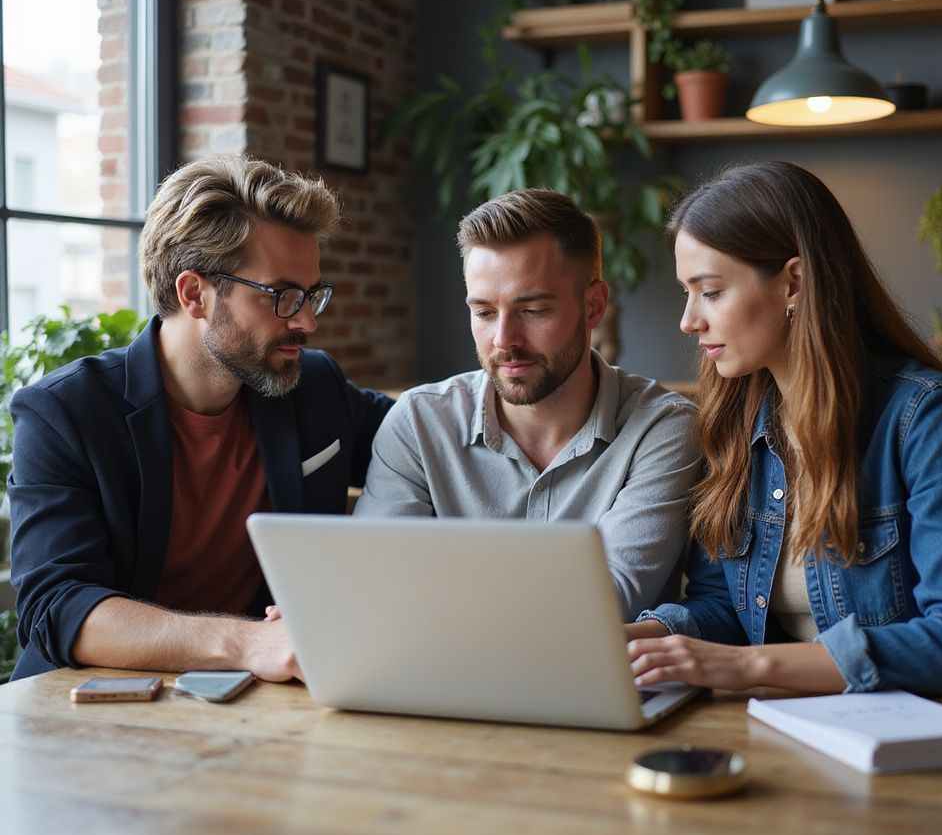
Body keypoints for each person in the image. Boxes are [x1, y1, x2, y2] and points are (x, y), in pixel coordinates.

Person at [627, 161, 942, 697]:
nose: (689, 320)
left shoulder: (925, 416)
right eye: (686, 293)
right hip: (787, 721)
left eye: (711, 291)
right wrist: (642, 639)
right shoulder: (733, 419)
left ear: (793, 282)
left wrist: (752, 668)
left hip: (919, 733)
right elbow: (722, 606)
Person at [8, 155, 392, 682]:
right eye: (282, 296)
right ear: (195, 294)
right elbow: (57, 607)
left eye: (311, 295)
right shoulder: (65, 413)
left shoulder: (313, 385)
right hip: (94, 711)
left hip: (256, 707)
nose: (306, 321)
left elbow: (426, 440)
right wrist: (249, 642)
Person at [354, 188, 701, 618]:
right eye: (483, 313)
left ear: (593, 306)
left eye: (533, 310)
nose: (504, 341)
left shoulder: (662, 428)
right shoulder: (417, 422)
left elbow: (609, 598)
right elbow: (378, 584)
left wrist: (433, 598)